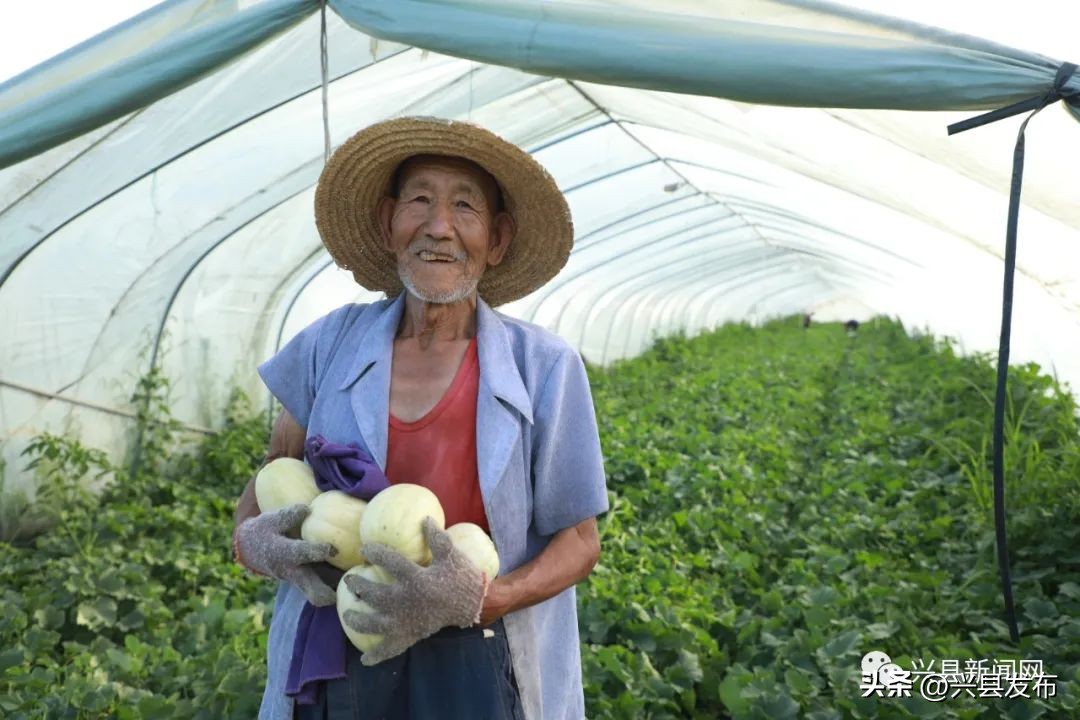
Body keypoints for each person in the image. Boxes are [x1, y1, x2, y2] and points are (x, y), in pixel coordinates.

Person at [232, 116, 610, 720]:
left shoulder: (544, 366)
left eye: (465, 206)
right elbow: (274, 474)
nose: (439, 227)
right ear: (389, 223)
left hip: (477, 652)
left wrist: (481, 599)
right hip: (345, 639)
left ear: (498, 239)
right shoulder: (328, 345)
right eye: (420, 201)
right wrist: (252, 538)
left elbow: (580, 542)